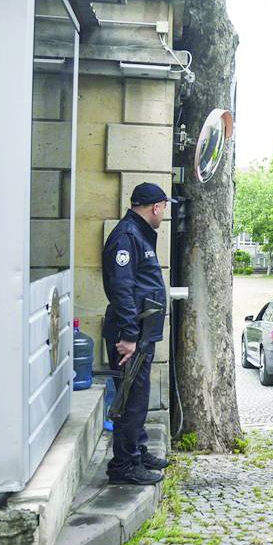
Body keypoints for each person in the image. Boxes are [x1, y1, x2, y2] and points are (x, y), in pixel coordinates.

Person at [102, 183, 174, 486]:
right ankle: (124, 465)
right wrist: (130, 335)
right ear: (156, 207)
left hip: (141, 332)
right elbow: (122, 289)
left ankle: (137, 451)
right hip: (129, 334)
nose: (164, 214)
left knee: (138, 398)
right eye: (164, 208)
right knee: (130, 401)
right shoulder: (127, 237)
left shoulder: (138, 234)